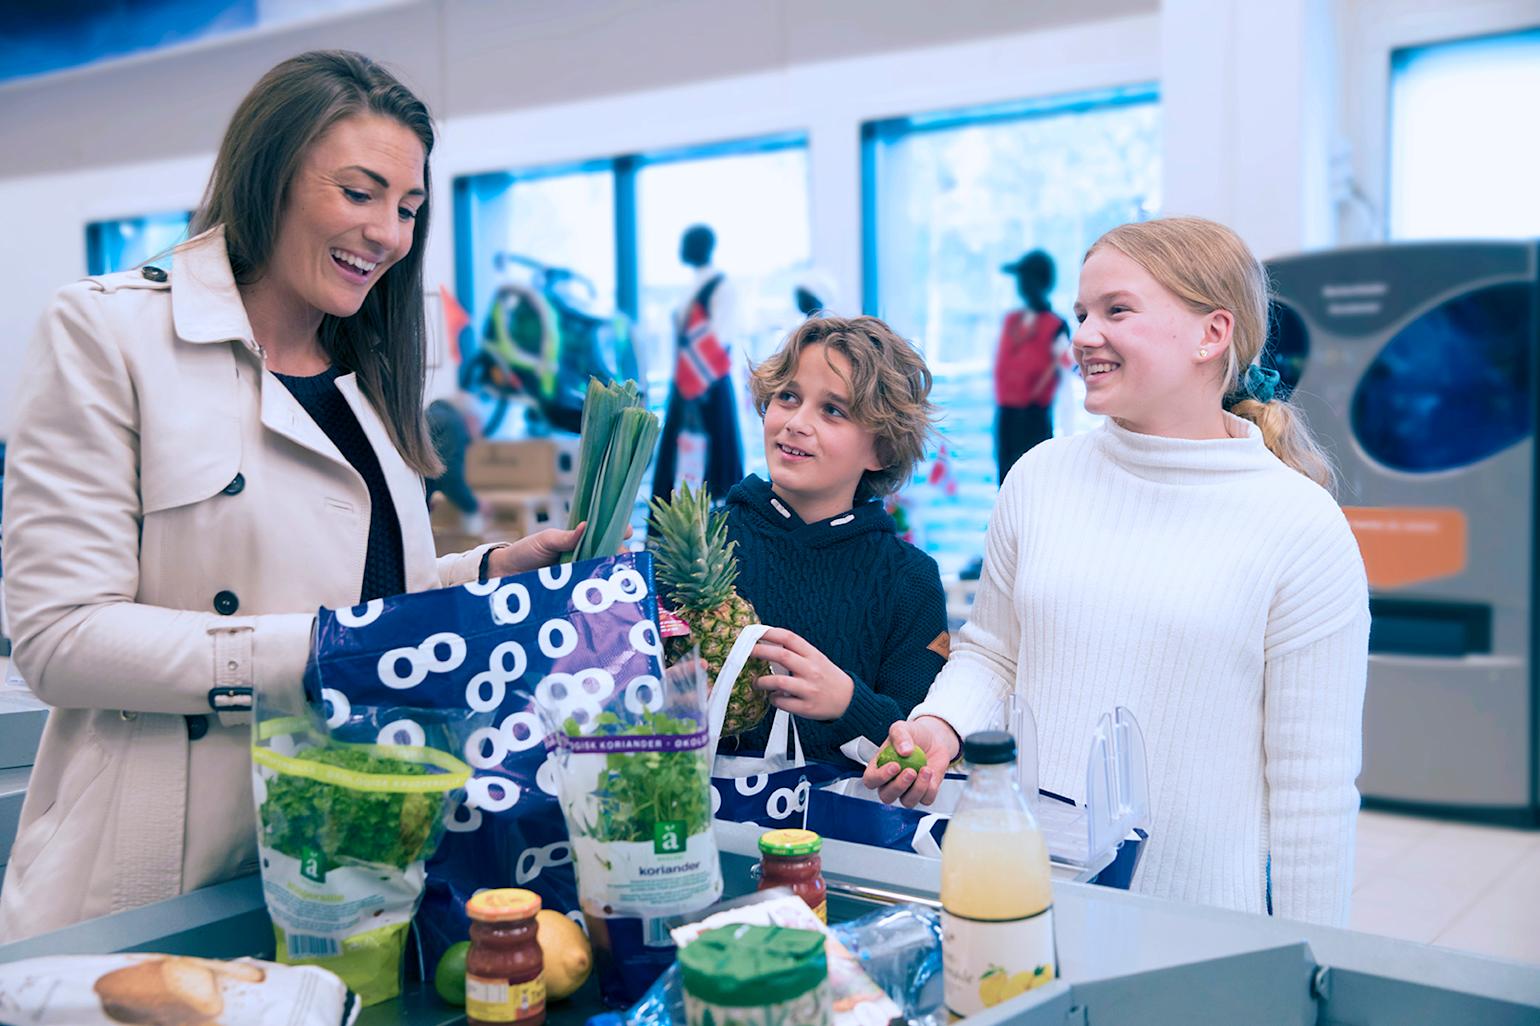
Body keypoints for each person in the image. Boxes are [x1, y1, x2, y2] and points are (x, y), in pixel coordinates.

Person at [0, 51, 586, 941]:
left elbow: (366, 597)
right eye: (359, 193)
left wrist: (492, 571)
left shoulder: (371, 376)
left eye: (408, 208)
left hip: (347, 855)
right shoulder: (109, 332)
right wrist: (318, 653)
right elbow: (59, 637)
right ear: (267, 175)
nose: (388, 232)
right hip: (162, 881)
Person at [866, 217, 1369, 927]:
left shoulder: (1299, 526)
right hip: (1023, 897)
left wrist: (1310, 965)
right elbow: (994, 652)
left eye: (1117, 310)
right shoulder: (1040, 478)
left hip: (1197, 929)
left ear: (1212, 334)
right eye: (1081, 314)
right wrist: (941, 724)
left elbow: (1311, 789)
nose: (1084, 336)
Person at [722, 316, 950, 765]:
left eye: (833, 410)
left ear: (881, 450)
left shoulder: (910, 581)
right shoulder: (704, 543)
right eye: (788, 397)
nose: (796, 423)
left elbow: (919, 745)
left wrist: (849, 703)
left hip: (848, 830)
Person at [652, 224, 744, 504]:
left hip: (708, 386)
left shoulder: (721, 286)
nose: (681, 250)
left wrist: (697, 387)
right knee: (676, 462)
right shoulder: (694, 286)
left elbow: (719, 338)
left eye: (686, 244)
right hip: (685, 384)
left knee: (715, 464)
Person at [993, 249, 1070, 484]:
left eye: (1025, 278)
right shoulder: (1011, 321)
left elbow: (1064, 375)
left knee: (1033, 483)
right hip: (1007, 417)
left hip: (1034, 418)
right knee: (1006, 483)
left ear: (1039, 282)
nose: (1020, 285)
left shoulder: (1055, 325)